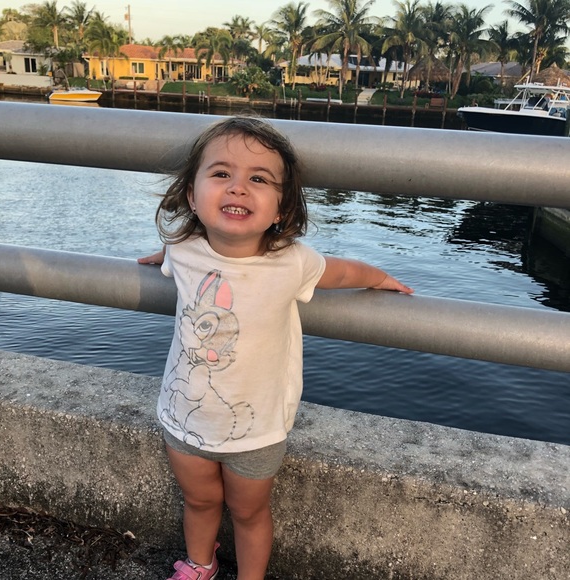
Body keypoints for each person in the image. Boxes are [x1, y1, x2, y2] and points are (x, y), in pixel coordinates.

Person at [138, 116, 413, 580]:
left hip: (258, 429)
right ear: (192, 196)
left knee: (249, 512)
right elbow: (174, 255)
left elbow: (344, 273)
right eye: (221, 173)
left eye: (259, 179)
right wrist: (162, 254)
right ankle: (200, 563)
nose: (238, 187)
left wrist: (381, 277)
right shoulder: (182, 249)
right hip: (184, 418)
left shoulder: (292, 262)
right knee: (199, 500)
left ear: (282, 208)